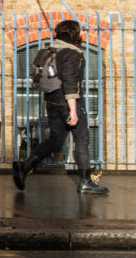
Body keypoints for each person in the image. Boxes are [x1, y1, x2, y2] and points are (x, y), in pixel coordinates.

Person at [12, 19, 108, 195]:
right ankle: (86, 182)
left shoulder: (51, 50)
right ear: (75, 34)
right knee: (82, 139)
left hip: (51, 100)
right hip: (68, 101)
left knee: (56, 140)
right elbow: (70, 82)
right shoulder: (70, 53)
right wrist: (73, 110)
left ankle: (25, 166)